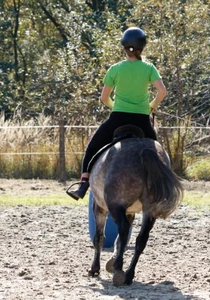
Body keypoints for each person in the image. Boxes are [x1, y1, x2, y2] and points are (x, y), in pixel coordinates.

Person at [67, 26, 167, 200]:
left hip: (117, 119)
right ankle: (162, 190)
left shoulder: (115, 69)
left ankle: (83, 184)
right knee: (158, 155)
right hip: (142, 121)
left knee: (92, 148)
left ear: (123, 47)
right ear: (142, 48)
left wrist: (115, 107)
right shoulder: (149, 68)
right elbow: (162, 91)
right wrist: (151, 106)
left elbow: (104, 98)